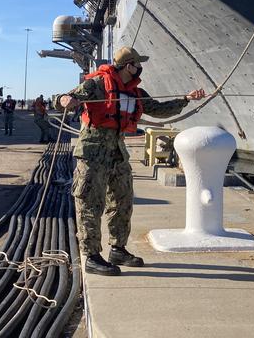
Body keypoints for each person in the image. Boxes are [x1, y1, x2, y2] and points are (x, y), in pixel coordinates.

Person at [57, 46, 205, 276]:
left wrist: (186, 99)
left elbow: (160, 110)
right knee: (90, 204)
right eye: (138, 64)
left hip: (117, 152)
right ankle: (92, 256)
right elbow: (66, 97)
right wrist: (66, 99)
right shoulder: (96, 85)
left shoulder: (136, 93)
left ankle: (118, 249)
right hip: (93, 153)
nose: (140, 68)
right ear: (129, 66)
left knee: (122, 201)